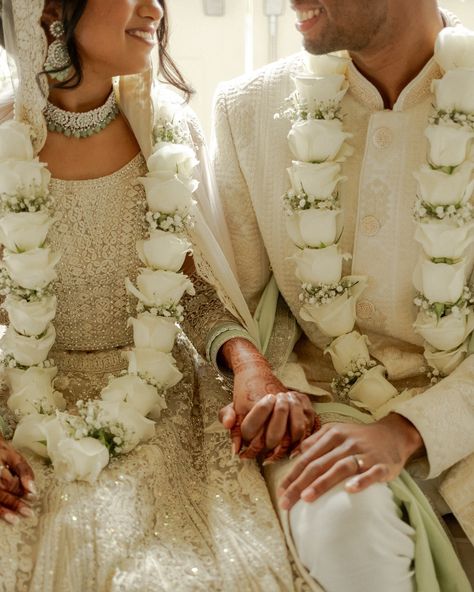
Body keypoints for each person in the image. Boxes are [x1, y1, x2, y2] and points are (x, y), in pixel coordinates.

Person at [0, 1, 302, 590]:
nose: (156, 8)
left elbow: (194, 296)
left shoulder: (169, 132)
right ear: (52, 12)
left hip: (165, 400)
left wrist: (252, 367)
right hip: (27, 408)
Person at [207, 1, 474, 590]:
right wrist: (259, 374)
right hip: (322, 409)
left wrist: (409, 429)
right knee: (343, 522)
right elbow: (227, 297)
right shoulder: (247, 111)